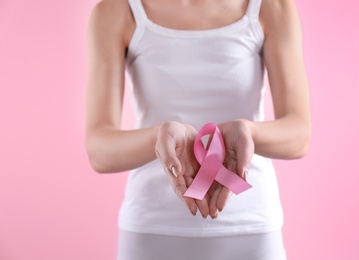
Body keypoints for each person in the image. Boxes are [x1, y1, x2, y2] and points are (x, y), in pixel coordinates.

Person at [85, 0, 311, 259]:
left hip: (251, 230)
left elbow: (299, 134)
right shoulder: (116, 11)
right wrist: (158, 137)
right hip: (151, 232)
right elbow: (99, 150)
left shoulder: (272, 8)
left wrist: (248, 132)